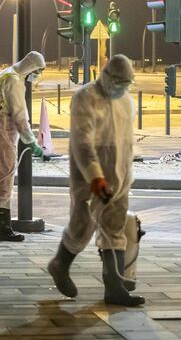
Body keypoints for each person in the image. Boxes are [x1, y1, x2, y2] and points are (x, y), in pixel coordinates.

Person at [47, 54, 144, 306]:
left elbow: (126, 138)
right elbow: (82, 142)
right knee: (83, 224)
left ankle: (115, 287)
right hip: (91, 175)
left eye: (126, 84)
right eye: (118, 83)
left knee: (115, 227)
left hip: (120, 173)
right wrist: (95, 176)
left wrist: (127, 170)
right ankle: (60, 264)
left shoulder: (126, 101)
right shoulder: (85, 97)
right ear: (106, 76)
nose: (121, 89)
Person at [0, 51, 46, 242]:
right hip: (3, 135)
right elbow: (19, 115)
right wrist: (31, 141)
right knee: (4, 179)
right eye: (37, 71)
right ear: (31, 67)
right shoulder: (14, 81)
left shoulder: (5, 74)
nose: (36, 75)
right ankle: (4, 230)